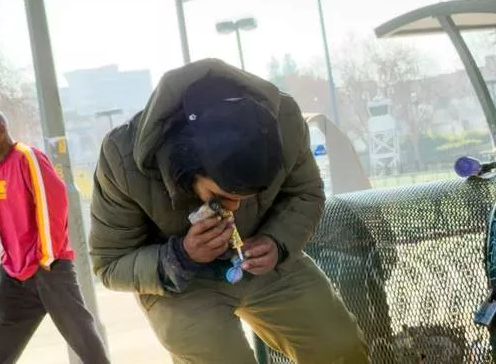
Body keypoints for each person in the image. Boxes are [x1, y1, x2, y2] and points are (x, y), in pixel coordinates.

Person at [89, 59, 369, 364]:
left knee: (339, 347)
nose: (233, 209)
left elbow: (305, 193)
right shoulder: (121, 158)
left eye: (248, 197)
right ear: (183, 169)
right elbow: (110, 263)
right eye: (220, 197)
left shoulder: (285, 122)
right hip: (180, 284)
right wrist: (181, 256)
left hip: (265, 263)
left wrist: (277, 242)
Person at [0, 108, 110, 364]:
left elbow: (52, 203)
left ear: (0, 130)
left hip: (47, 267)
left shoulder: (27, 157)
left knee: (81, 334)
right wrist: (8, 258)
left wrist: (46, 256)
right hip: (14, 272)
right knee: (1, 336)